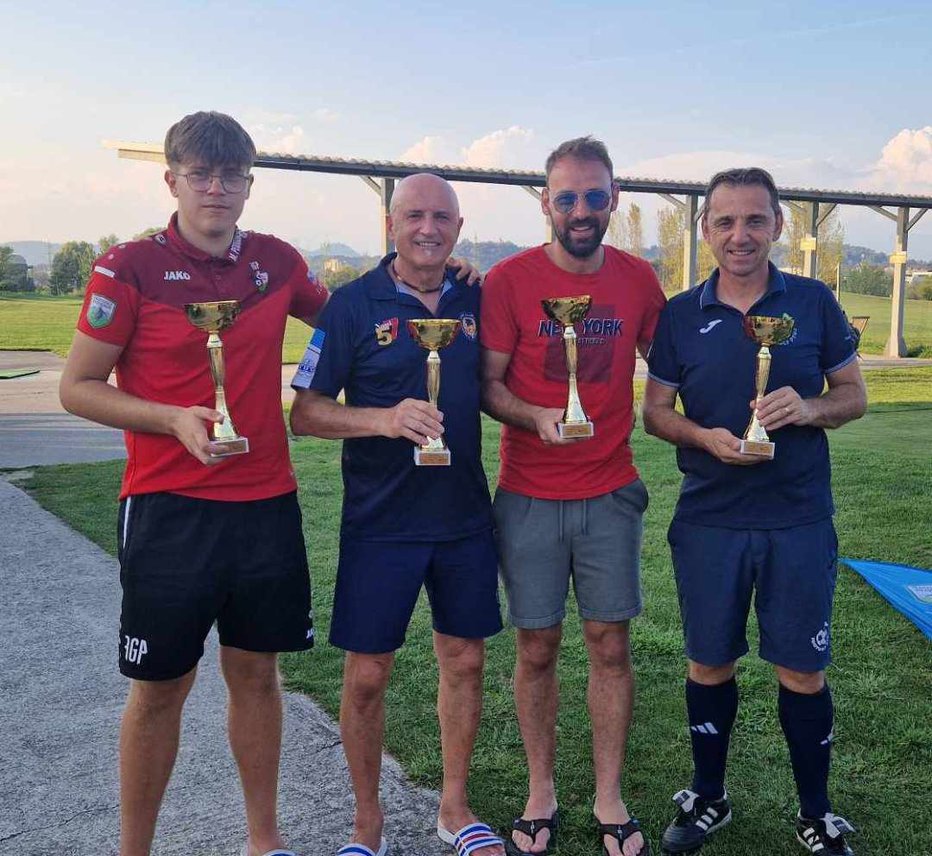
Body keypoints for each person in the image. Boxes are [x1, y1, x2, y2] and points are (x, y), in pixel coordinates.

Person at [58, 111, 328, 856]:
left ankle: (263, 842)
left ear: (249, 183)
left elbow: (353, 321)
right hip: (168, 508)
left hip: (265, 503)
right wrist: (169, 418)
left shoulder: (276, 260)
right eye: (200, 174)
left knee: (257, 675)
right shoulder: (128, 266)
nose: (216, 188)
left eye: (232, 175)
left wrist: (439, 278)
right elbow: (77, 387)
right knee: (158, 690)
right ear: (171, 178)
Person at [642, 167, 867, 856]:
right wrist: (702, 435)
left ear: (778, 225)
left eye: (755, 220)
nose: (740, 235)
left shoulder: (815, 301)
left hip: (797, 517)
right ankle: (709, 797)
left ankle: (815, 810)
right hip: (709, 517)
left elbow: (853, 394)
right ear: (706, 229)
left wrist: (809, 409)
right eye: (726, 222)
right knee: (709, 661)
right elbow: (654, 413)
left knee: (802, 668)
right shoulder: (681, 313)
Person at [289, 173, 505, 856]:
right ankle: (367, 824)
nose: (428, 229)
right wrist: (383, 419)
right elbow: (306, 413)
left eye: (442, 217)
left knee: (465, 660)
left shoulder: (478, 296)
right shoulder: (351, 306)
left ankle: (454, 807)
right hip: (380, 522)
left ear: (459, 226)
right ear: (390, 224)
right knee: (368, 673)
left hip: (464, 516)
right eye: (414, 215)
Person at [480, 137, 666, 856]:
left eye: (594, 196)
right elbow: (488, 385)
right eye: (567, 198)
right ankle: (541, 789)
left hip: (610, 490)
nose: (581, 210)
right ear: (545, 203)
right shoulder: (509, 281)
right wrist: (534, 416)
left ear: (614, 199)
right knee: (536, 646)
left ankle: (609, 795)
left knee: (609, 644)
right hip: (527, 491)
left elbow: (670, 365)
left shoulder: (639, 280)